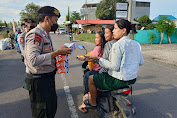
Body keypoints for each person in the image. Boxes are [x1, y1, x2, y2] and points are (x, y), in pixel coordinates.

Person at [23, 6, 72, 118]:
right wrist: (57, 52)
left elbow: (45, 54)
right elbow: (33, 60)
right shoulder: (36, 34)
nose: (56, 24)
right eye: (55, 20)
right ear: (47, 19)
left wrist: (59, 52)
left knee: (50, 110)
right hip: (39, 82)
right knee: (42, 113)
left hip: (47, 79)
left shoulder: (45, 33)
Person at [86, 19, 144, 108]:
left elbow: (114, 66)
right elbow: (141, 62)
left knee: (90, 78)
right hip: (131, 79)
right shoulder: (136, 44)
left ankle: (93, 103)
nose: (113, 31)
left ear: (123, 30)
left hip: (117, 80)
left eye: (116, 28)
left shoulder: (118, 45)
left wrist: (98, 58)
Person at [77, 31, 107, 112]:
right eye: (95, 37)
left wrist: (84, 58)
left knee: (87, 76)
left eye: (97, 37)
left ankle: (90, 96)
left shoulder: (99, 48)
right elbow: (92, 55)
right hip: (106, 71)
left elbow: (93, 57)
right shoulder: (107, 46)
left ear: (102, 39)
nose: (95, 39)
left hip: (99, 71)